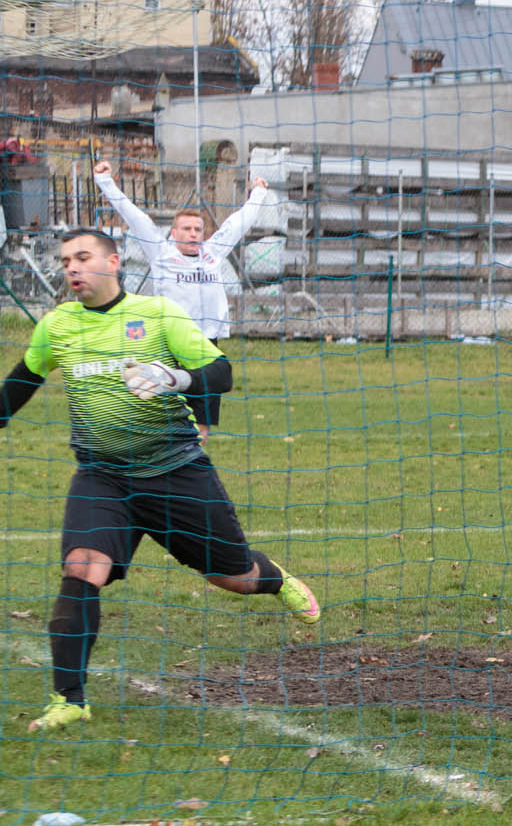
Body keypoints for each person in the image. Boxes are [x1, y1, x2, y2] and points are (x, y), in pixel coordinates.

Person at [0, 229, 320, 732]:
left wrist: (176, 379)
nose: (72, 268)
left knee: (232, 577)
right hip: (102, 477)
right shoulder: (57, 325)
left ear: (114, 261)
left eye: (82, 257)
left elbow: (221, 372)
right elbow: (22, 382)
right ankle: (70, 699)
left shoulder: (158, 315)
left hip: (175, 472)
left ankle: (275, 580)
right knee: (82, 567)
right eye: (65, 261)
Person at [93, 161, 270, 440]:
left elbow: (239, 222)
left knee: (202, 420)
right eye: (186, 229)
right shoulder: (162, 255)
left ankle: (195, 455)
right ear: (174, 233)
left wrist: (258, 192)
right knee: (165, 414)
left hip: (206, 345)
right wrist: (105, 181)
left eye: (198, 229)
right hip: (170, 345)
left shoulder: (212, 254)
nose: (193, 233)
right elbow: (134, 216)